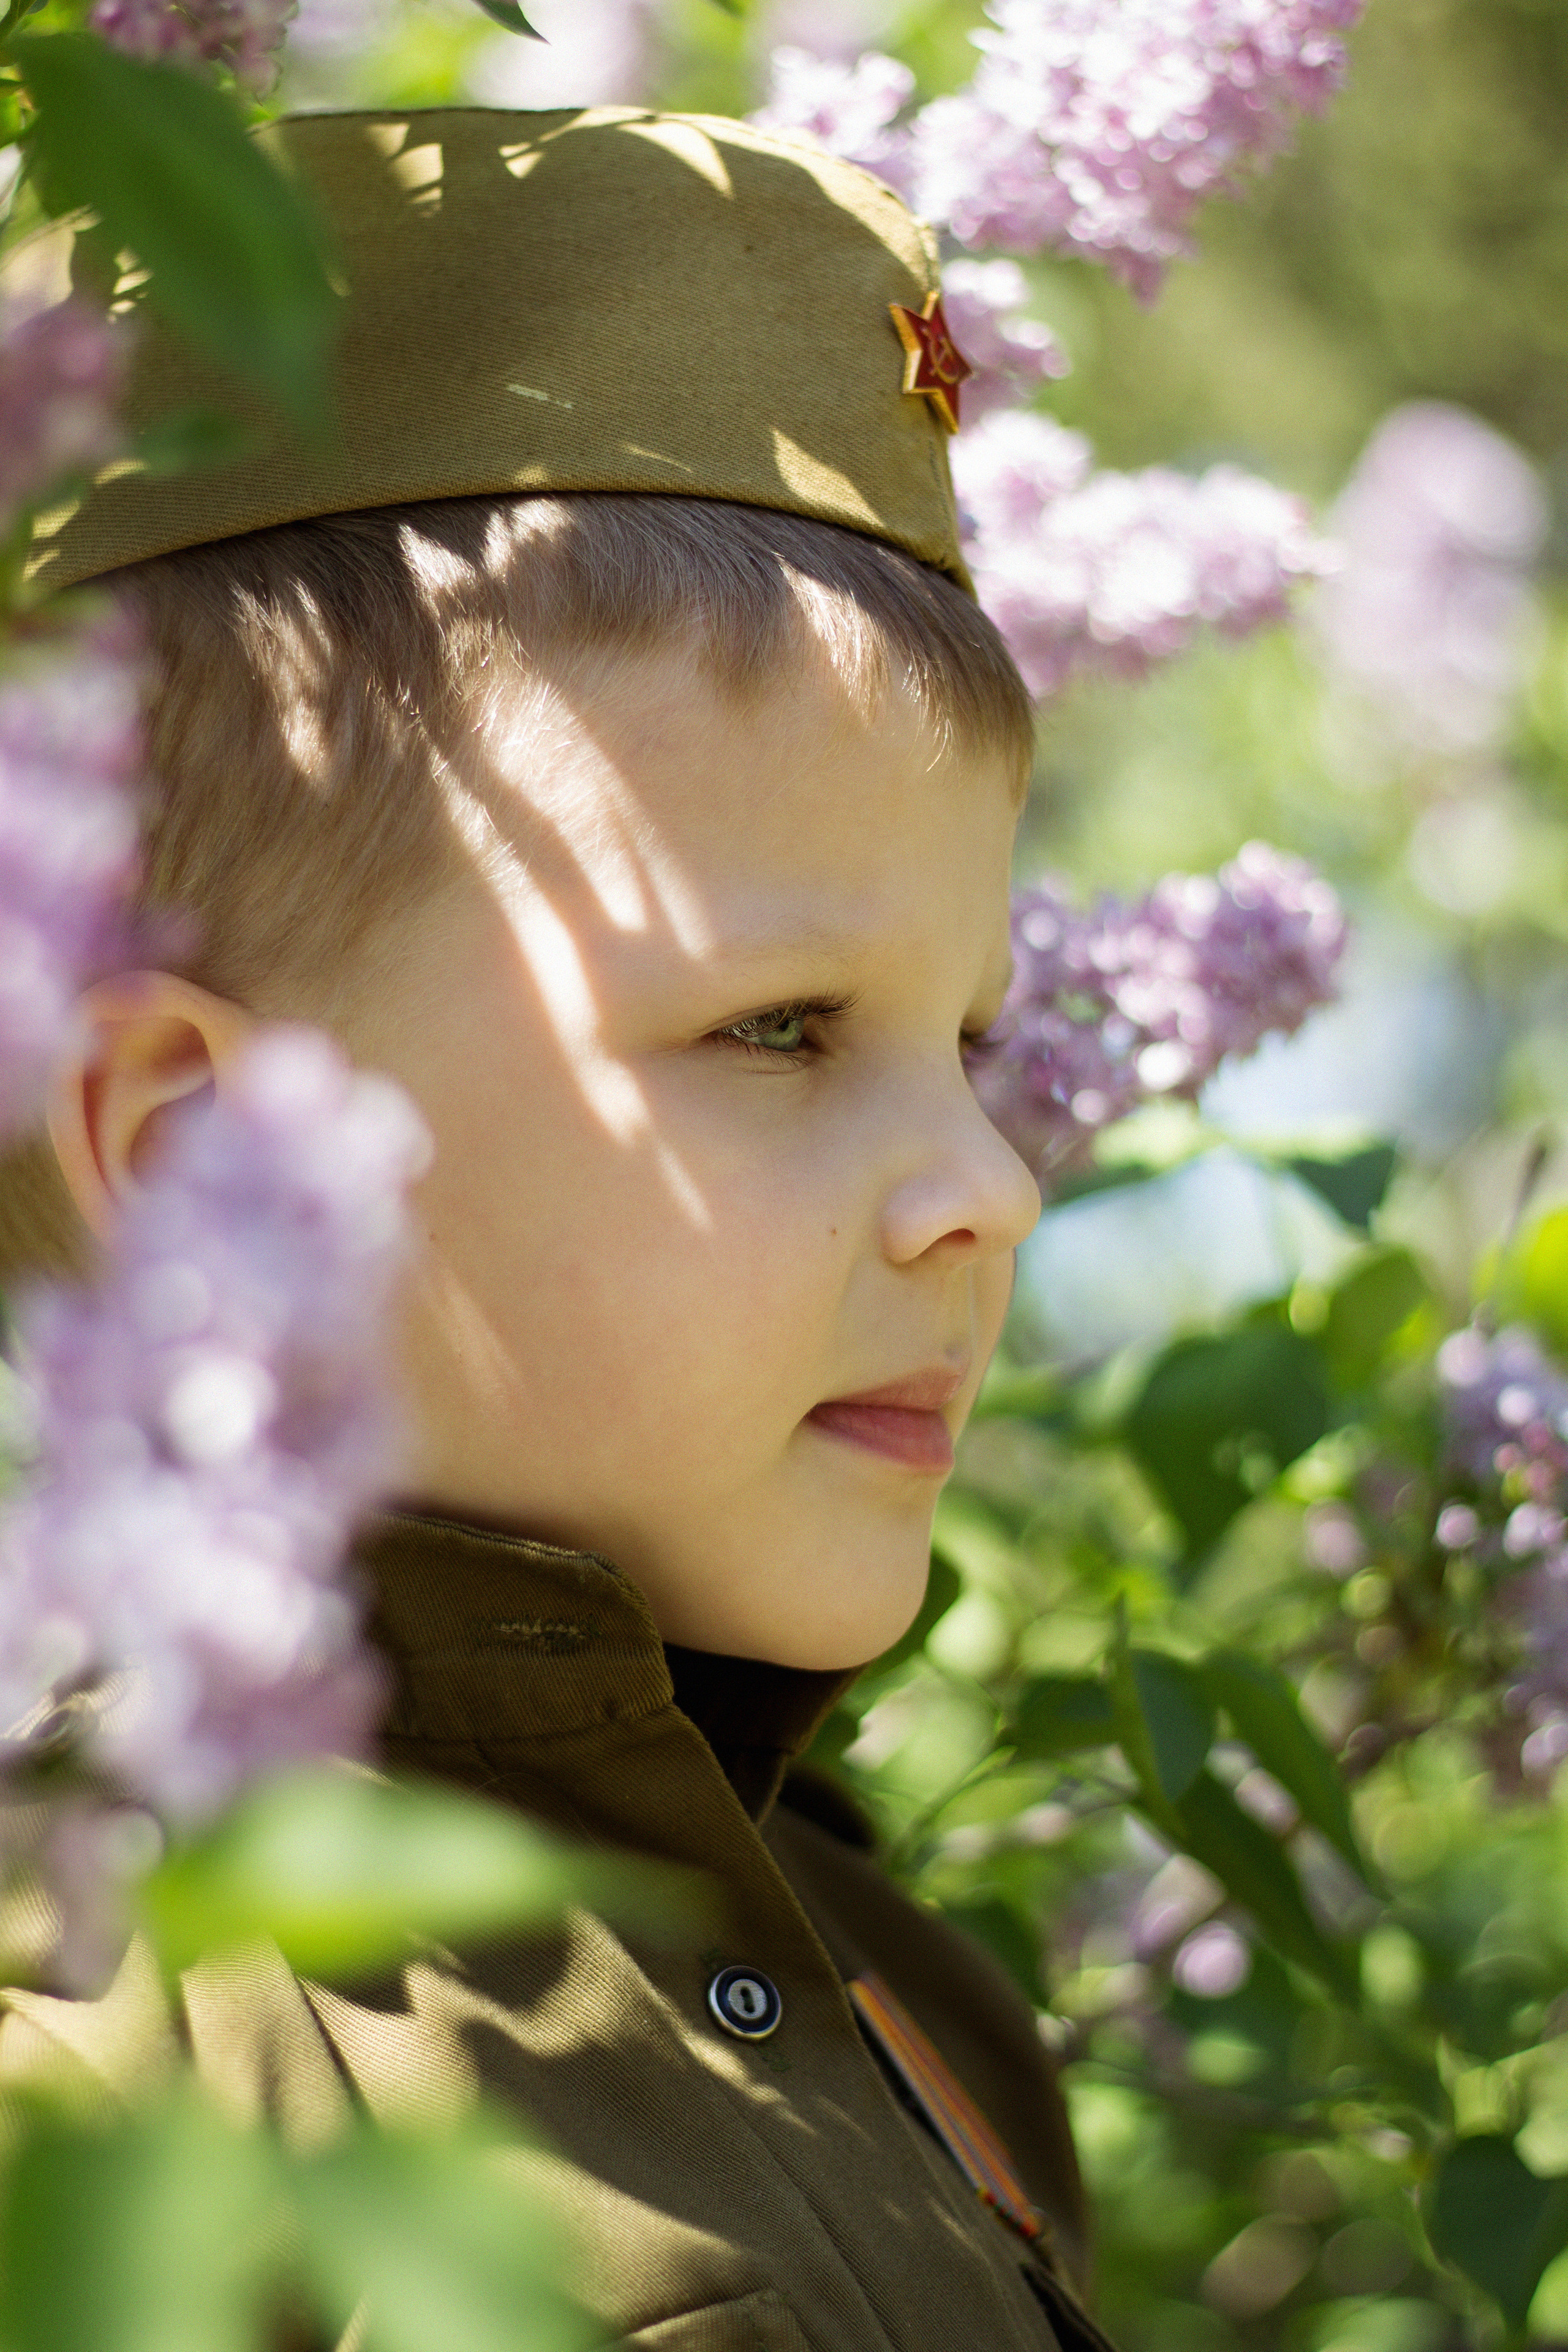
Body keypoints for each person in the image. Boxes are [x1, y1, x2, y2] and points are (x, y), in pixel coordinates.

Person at [0, 105, 1111, 2352]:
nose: (988, 1185)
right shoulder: (105, 2104)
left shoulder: (924, 2016)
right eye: (786, 1029)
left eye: (973, 1038)